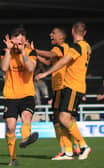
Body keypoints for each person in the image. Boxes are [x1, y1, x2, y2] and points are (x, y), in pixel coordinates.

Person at [35, 21, 91, 160]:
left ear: (72, 32)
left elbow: (61, 60)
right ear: (84, 33)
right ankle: (69, 150)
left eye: (53, 33)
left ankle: (81, 146)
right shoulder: (86, 47)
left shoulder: (74, 47)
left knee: (63, 118)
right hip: (71, 86)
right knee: (61, 118)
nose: (51, 35)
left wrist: (45, 73)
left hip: (72, 86)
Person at [0, 27, 39, 166]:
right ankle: (13, 158)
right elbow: (4, 68)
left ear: (25, 42)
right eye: (15, 43)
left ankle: (25, 138)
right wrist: (9, 51)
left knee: (26, 116)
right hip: (10, 95)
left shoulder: (30, 52)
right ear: (11, 41)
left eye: (20, 43)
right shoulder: (6, 53)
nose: (17, 46)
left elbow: (30, 68)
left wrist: (23, 52)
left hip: (27, 94)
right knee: (10, 127)